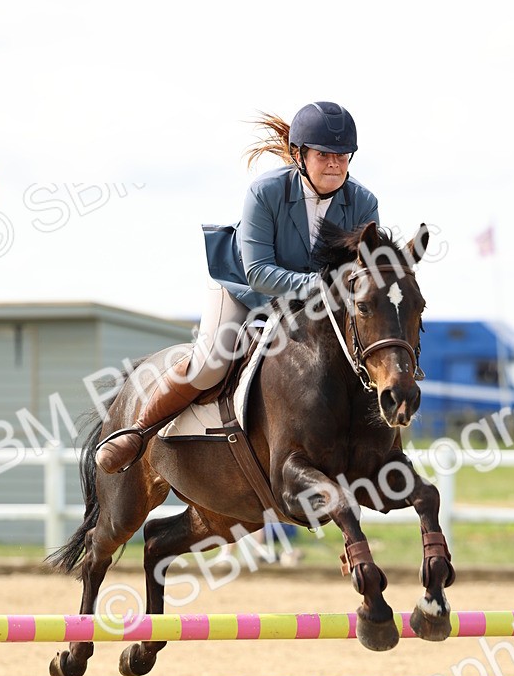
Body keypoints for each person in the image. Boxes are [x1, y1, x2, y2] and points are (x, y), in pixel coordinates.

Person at [96, 101, 380, 473]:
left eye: (342, 156)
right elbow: (259, 272)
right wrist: (321, 285)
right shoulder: (266, 191)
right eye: (324, 155)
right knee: (211, 362)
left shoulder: (363, 202)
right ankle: (137, 431)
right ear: (299, 155)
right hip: (245, 287)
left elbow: (365, 272)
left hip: (313, 302)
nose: (334, 164)